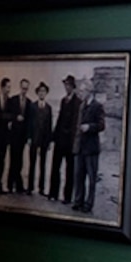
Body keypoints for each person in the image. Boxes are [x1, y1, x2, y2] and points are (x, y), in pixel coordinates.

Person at [73, 83, 108, 213]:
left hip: (91, 148)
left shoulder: (97, 106)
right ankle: (78, 201)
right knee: (78, 176)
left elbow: (101, 125)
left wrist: (89, 127)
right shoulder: (81, 106)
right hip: (80, 148)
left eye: (82, 91)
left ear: (89, 91)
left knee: (92, 178)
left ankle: (89, 204)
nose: (80, 93)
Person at [52, 76, 84, 205]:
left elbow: (76, 122)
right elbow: (59, 120)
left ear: (73, 87)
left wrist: (75, 142)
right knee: (55, 167)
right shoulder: (63, 101)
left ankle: (67, 197)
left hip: (70, 142)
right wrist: (53, 137)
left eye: (69, 85)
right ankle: (53, 193)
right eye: (65, 85)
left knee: (69, 170)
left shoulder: (78, 102)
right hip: (59, 140)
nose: (67, 87)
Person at [26, 81, 56, 195]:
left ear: (46, 93)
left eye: (44, 91)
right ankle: (30, 187)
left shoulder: (49, 108)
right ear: (37, 93)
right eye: (40, 91)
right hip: (33, 139)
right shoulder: (32, 106)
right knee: (32, 164)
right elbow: (28, 123)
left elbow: (49, 125)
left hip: (44, 140)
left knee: (42, 164)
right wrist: (28, 137)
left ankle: (41, 188)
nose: (42, 93)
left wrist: (49, 141)